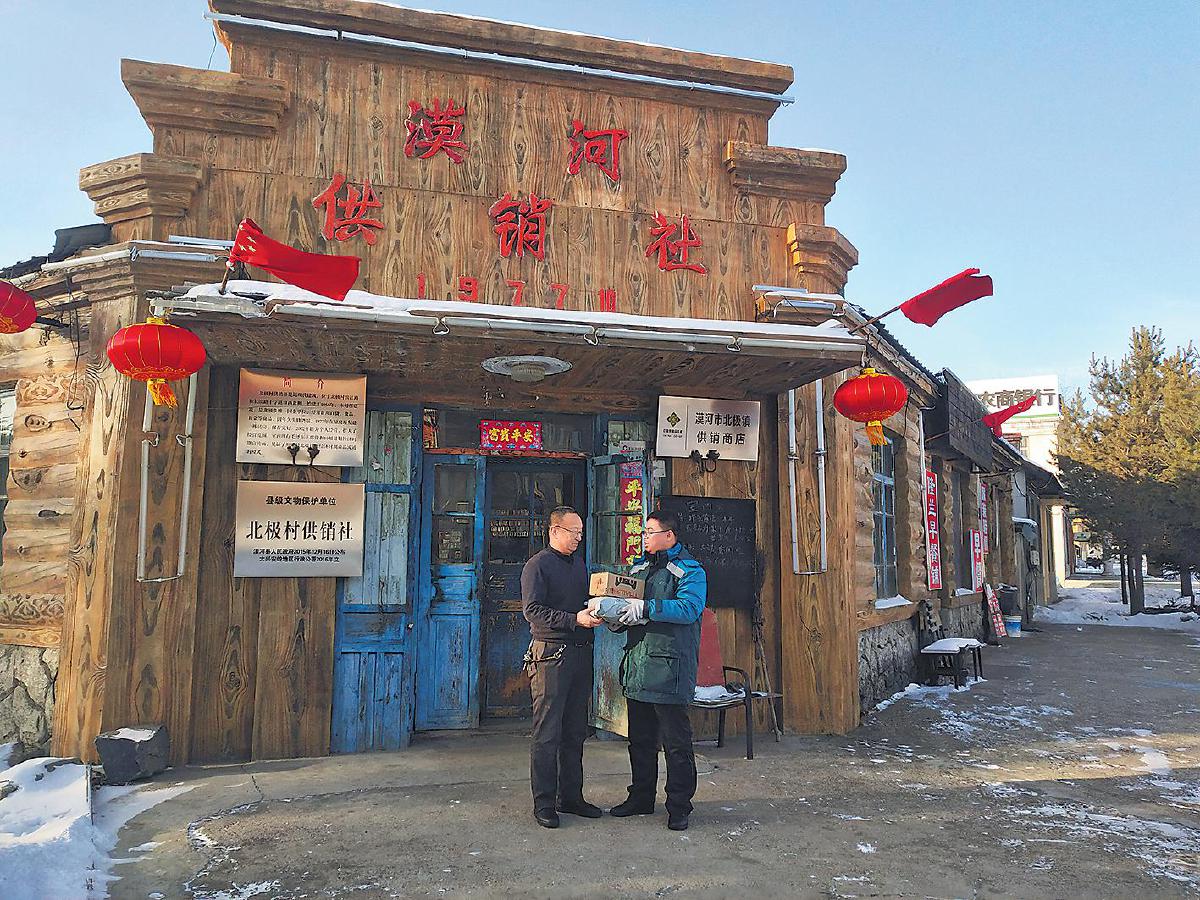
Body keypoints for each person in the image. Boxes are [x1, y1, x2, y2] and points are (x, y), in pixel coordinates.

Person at [609, 509, 707, 831]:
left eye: (649, 532)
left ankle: (679, 806)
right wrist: (614, 615)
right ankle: (640, 797)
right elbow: (628, 605)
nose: (644, 537)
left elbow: (689, 608)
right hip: (638, 666)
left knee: (676, 743)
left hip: (669, 670)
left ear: (669, 536)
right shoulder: (638, 568)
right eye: (643, 532)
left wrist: (647, 608)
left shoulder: (690, 570)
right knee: (640, 740)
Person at [520, 505, 603, 829]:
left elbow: (581, 605)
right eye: (573, 532)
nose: (579, 538)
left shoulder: (579, 564)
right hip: (550, 655)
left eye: (581, 533)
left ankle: (571, 796)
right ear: (554, 530)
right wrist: (573, 619)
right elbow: (533, 610)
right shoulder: (537, 566)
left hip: (580, 653)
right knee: (547, 732)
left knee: (575, 731)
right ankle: (544, 802)